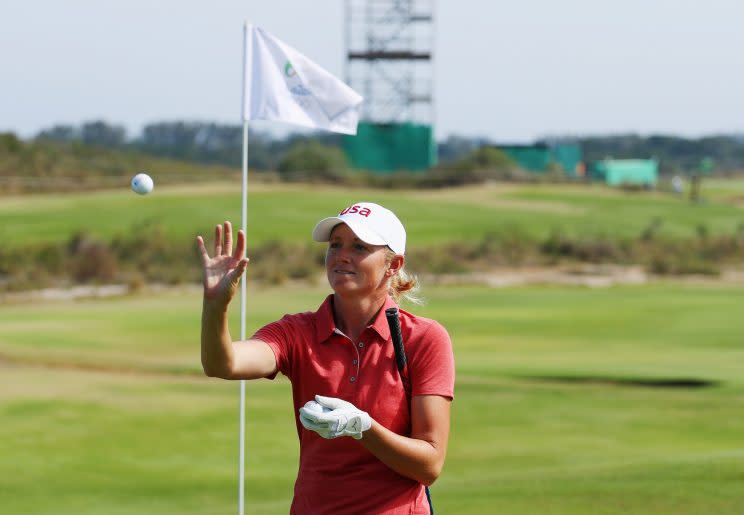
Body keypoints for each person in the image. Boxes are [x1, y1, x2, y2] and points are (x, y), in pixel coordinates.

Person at [197, 201, 455, 515]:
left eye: (359, 246)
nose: (342, 255)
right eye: (335, 245)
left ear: (393, 264)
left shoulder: (423, 338)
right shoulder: (296, 331)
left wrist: (362, 427)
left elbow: (429, 465)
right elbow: (223, 364)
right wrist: (215, 306)